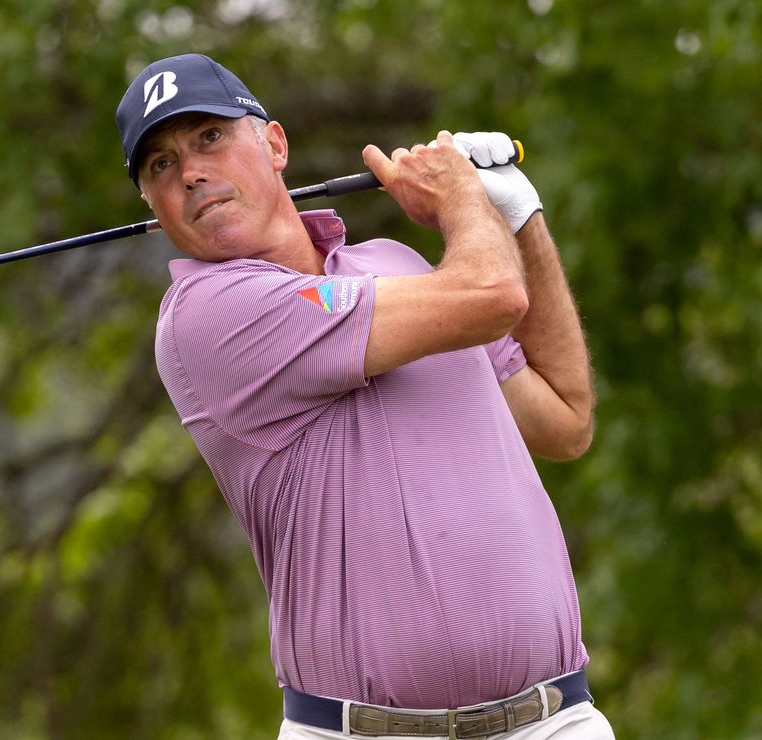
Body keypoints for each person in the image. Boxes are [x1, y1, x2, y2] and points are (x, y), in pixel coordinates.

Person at [114, 53, 613, 739]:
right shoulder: (206, 316)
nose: (192, 171)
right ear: (151, 201)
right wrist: (462, 197)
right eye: (160, 166)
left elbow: (565, 419)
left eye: (209, 138)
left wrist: (520, 215)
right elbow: (493, 293)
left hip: (553, 722)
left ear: (275, 143)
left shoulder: (399, 268)